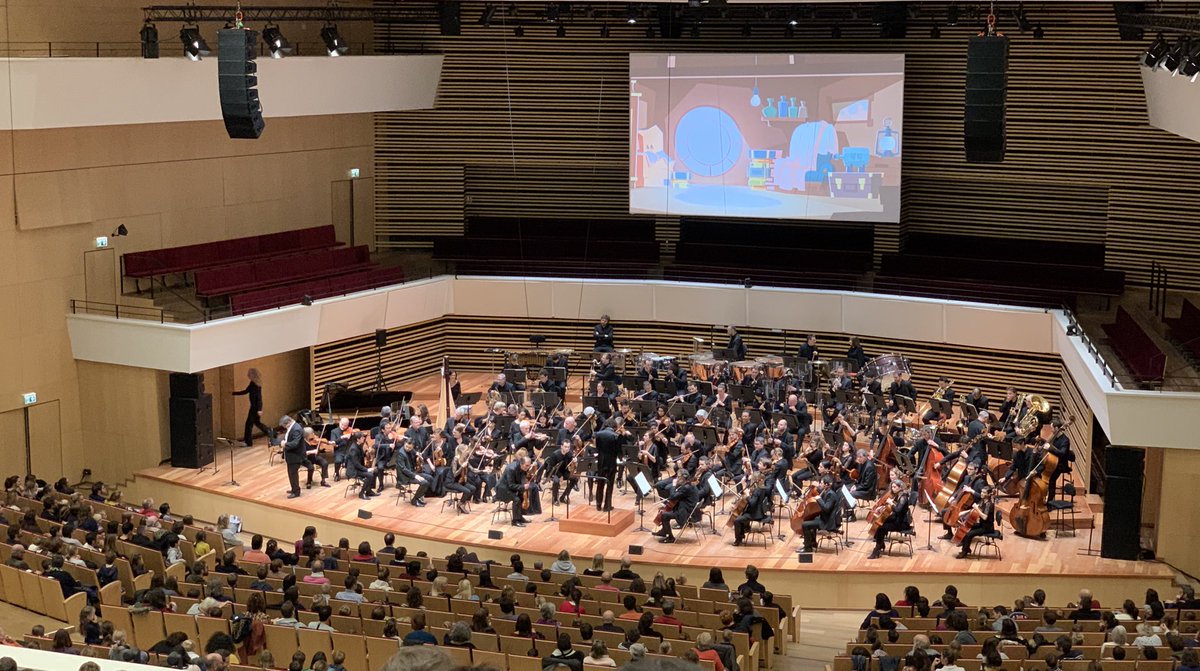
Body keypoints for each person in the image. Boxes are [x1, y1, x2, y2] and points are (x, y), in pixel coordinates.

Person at [868, 481, 911, 560]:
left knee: (881, 527)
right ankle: (880, 545)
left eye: (895, 487)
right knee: (880, 523)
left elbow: (897, 510)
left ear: (900, 488)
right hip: (896, 518)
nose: (892, 489)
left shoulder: (903, 497)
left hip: (901, 523)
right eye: (892, 487)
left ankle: (877, 549)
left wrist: (891, 503)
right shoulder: (898, 495)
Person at [233, 369, 274, 447]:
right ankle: (272, 433)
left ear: (252, 375)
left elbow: (259, 398)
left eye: (249, 373)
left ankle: (248, 442)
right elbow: (245, 391)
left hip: (255, 408)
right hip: (253, 407)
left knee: (248, 424)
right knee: (257, 423)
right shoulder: (252, 383)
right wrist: (234, 393)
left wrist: (259, 409)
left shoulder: (256, 385)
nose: (247, 375)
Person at [954, 486, 997, 559]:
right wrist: (963, 513)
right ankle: (966, 548)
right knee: (966, 527)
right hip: (982, 524)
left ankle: (964, 551)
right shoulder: (983, 501)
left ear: (989, 494)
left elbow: (984, 517)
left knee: (968, 534)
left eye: (984, 492)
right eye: (981, 492)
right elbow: (974, 510)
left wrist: (977, 508)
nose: (981, 494)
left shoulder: (989, 504)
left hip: (987, 527)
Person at [801, 476, 840, 553]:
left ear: (826, 485)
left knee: (804, 525)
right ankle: (812, 543)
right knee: (810, 518)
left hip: (827, 522)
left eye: (821, 483)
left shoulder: (831, 494)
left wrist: (818, 498)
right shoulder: (827, 491)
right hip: (825, 518)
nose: (820, 484)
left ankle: (807, 548)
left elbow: (826, 508)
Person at [732, 473, 771, 547]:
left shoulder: (757, 490)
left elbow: (752, 503)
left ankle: (738, 539)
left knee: (736, 520)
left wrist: (747, 495)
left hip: (755, 514)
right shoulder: (762, 488)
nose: (750, 480)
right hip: (759, 511)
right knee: (742, 515)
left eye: (752, 479)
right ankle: (743, 532)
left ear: (756, 480)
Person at [594, 419, 621, 512]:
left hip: (601, 461)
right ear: (614, 426)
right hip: (611, 462)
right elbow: (618, 450)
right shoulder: (616, 436)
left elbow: (597, 448)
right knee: (609, 484)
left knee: (600, 483)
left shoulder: (598, 434)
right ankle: (607, 506)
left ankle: (598, 505)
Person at [279, 414, 306, 499]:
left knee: (293, 474)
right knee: (291, 474)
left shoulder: (296, 429)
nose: (284, 427)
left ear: (289, 422)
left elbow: (295, 443)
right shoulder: (293, 427)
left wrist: (285, 444)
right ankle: (294, 488)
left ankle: (296, 491)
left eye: (284, 425)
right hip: (291, 456)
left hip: (295, 456)